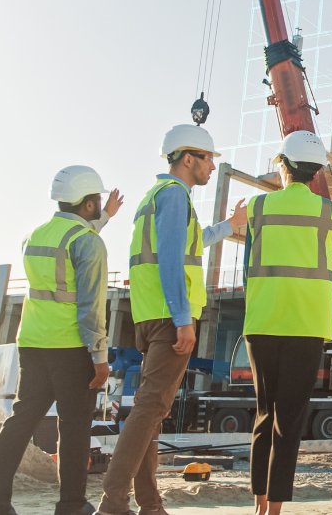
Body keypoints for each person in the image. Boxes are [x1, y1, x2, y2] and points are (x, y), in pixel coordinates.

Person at [97, 125, 246, 515]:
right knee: (150, 409)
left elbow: (187, 244)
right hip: (169, 316)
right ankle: (113, 503)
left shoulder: (158, 196)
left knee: (151, 412)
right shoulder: (176, 196)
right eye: (208, 158)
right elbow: (169, 260)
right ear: (187, 159)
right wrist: (183, 319)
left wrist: (230, 226)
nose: (213, 166)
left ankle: (150, 505)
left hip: (151, 315)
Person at [0, 166, 122, 515]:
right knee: (73, 428)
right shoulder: (89, 243)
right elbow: (90, 309)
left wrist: (104, 218)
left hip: (32, 343)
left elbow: (69, 246)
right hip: (71, 347)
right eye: (96, 202)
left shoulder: (35, 235)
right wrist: (100, 359)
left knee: (20, 420)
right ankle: (71, 505)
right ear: (88, 204)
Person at [243, 131, 332, 515]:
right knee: (289, 419)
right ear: (316, 172)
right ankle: (277, 510)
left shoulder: (258, 206)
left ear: (282, 164)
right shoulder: (329, 212)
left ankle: (259, 504)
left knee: (264, 415)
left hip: (264, 321)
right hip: (307, 325)